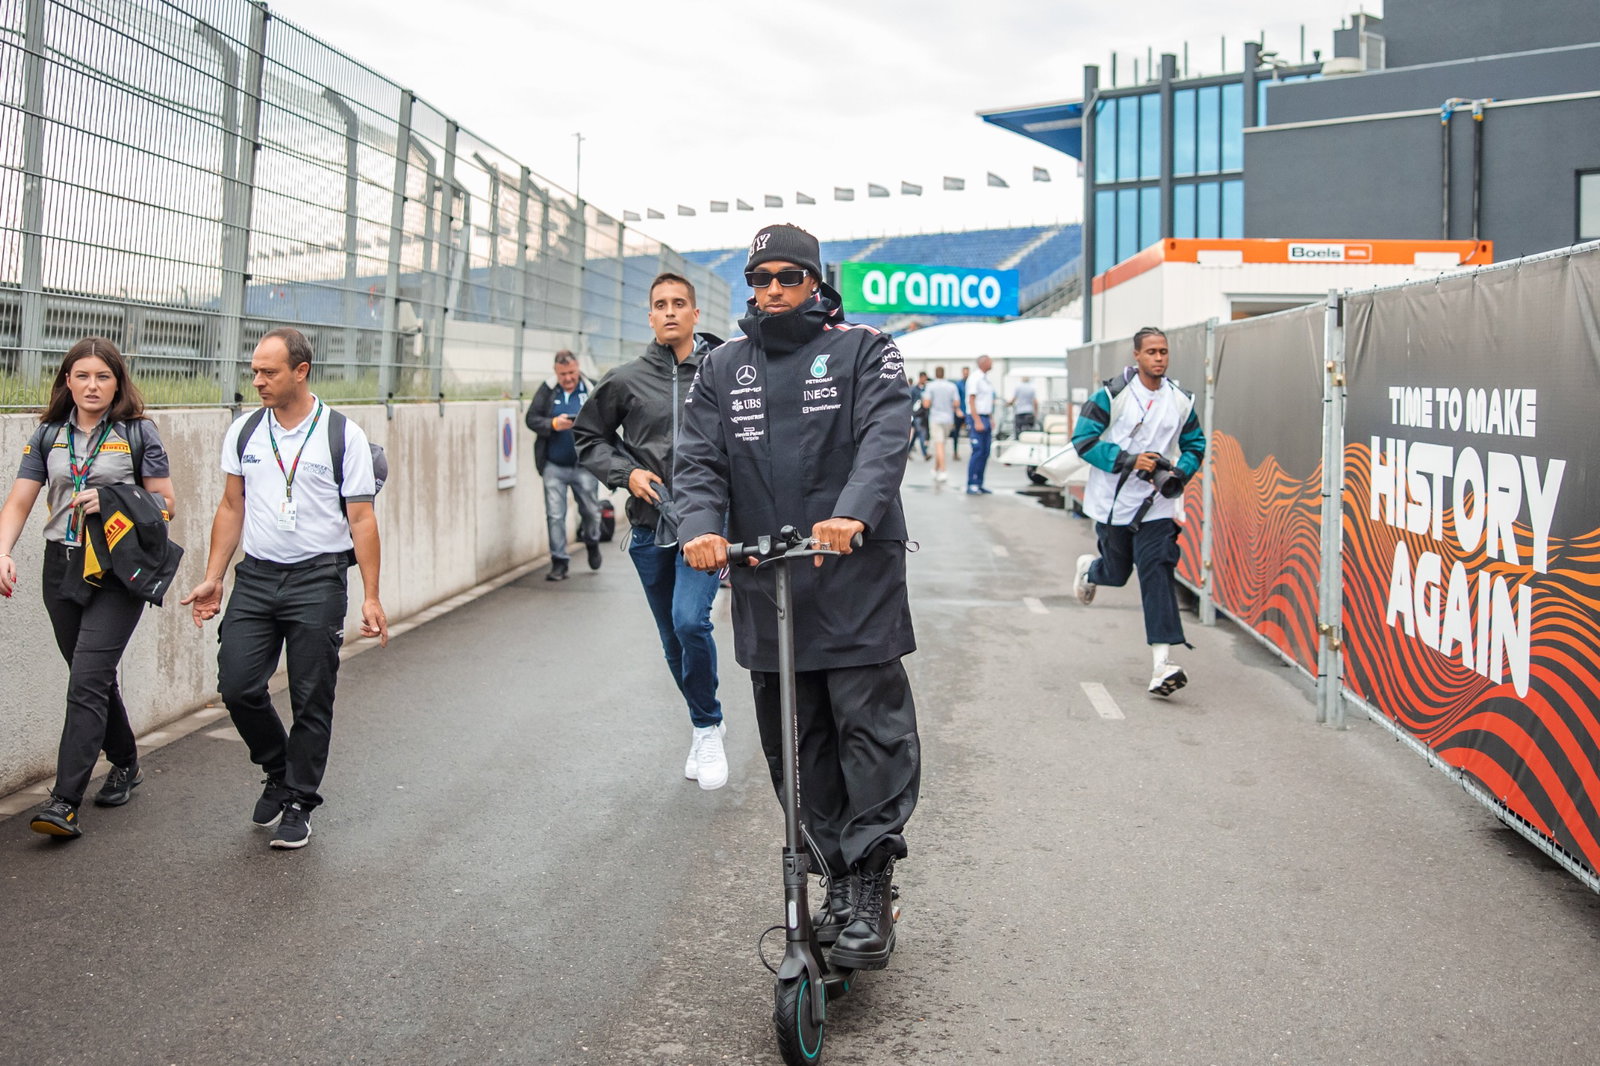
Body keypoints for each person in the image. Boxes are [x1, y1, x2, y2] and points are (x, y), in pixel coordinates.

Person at [678, 223, 920, 971]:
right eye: (761, 278)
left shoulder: (864, 349)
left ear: (817, 281)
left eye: (789, 276)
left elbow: (886, 434)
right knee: (797, 742)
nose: (773, 290)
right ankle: (836, 879)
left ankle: (871, 881)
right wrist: (699, 528)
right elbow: (699, 461)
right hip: (768, 583)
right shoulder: (722, 366)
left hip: (853, 579)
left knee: (867, 733)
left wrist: (853, 513)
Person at [181, 327, 388, 849]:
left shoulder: (344, 435)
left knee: (311, 695)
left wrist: (370, 594)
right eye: (254, 371)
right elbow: (232, 506)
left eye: (269, 372)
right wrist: (214, 575)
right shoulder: (245, 431)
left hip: (318, 579)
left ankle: (299, 801)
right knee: (238, 686)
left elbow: (361, 520)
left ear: (301, 371)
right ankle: (278, 768)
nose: (257, 381)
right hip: (256, 576)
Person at [0, 338, 176, 838]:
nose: (92, 385)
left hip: (118, 568)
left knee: (86, 681)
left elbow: (166, 505)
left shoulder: (138, 432)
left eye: (102, 376)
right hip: (63, 564)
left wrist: (116, 498)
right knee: (89, 675)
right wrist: (3, 550)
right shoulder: (48, 435)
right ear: (67, 382)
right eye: (82, 376)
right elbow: (18, 503)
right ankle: (125, 761)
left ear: (117, 381)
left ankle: (64, 801)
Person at [574, 273, 729, 790]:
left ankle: (707, 728)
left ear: (695, 313)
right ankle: (704, 719)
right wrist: (627, 473)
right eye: (659, 304)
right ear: (649, 315)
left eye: (679, 304)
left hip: (706, 526)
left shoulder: (725, 369)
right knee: (670, 640)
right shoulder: (625, 379)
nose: (669, 312)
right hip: (648, 528)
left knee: (690, 622)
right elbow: (588, 436)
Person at [1071, 326, 1205, 696]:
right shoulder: (1112, 396)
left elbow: (1196, 443)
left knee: (1157, 572)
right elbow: (1082, 440)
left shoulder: (1180, 400)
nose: (1159, 358)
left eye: (1164, 352)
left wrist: (1180, 471)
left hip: (1158, 506)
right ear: (1137, 356)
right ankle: (1090, 569)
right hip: (1114, 505)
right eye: (1152, 352)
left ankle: (1163, 664)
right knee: (1116, 574)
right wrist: (1128, 460)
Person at [526, 349, 603, 581]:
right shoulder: (548, 390)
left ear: (578, 367)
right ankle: (559, 562)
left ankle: (592, 540)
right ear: (555, 372)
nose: (568, 378)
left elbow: (607, 419)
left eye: (571, 372)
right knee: (555, 515)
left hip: (585, 465)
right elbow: (531, 418)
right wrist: (552, 424)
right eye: (563, 374)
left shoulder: (592, 388)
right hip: (554, 465)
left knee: (591, 511)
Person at [922, 366, 962, 484]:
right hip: (948, 419)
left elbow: (926, 404)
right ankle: (935, 468)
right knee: (941, 445)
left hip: (936, 418)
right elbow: (956, 403)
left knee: (938, 445)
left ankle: (943, 470)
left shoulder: (931, 386)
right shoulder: (952, 386)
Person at [964, 354, 997, 495]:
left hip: (985, 416)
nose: (992, 363)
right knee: (977, 451)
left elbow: (986, 402)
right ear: (983, 362)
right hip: (976, 417)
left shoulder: (986, 379)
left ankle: (979, 483)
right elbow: (971, 400)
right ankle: (972, 483)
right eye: (990, 361)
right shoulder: (975, 378)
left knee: (985, 452)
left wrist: (990, 418)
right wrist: (977, 420)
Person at [907, 371, 930, 459]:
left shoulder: (927, 389)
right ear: (920, 378)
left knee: (916, 434)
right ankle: (925, 454)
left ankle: (907, 451)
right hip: (917, 415)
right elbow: (910, 401)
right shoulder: (913, 389)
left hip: (924, 415)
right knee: (921, 433)